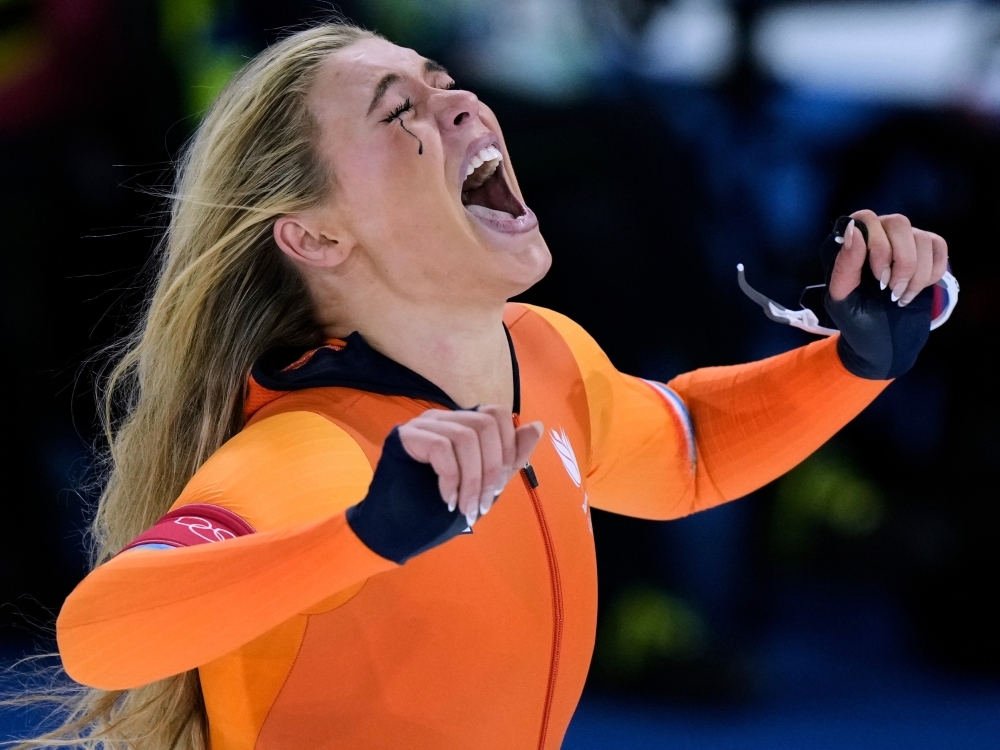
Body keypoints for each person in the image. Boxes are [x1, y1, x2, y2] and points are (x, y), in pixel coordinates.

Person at [37, 22, 949, 750]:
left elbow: (686, 449)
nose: (461, 103)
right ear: (315, 237)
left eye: (444, 80)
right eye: (401, 113)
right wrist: (364, 536)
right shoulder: (316, 454)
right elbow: (100, 637)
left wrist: (855, 361)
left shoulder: (542, 356)